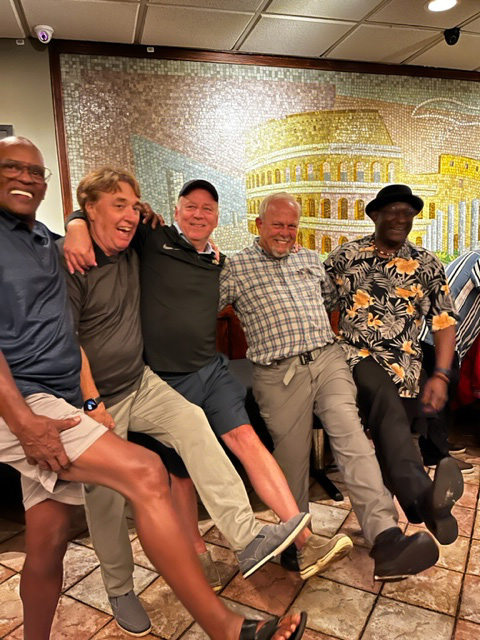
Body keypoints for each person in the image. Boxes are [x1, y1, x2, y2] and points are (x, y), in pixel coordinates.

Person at [0, 136, 308, 640]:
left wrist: (115, 216)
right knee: (105, 500)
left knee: (191, 424)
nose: (128, 215)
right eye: (116, 205)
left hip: (139, 381)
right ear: (89, 210)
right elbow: (66, 338)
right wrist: (90, 400)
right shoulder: (70, 259)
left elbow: (144, 223)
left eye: (133, 206)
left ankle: (247, 536)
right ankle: (121, 588)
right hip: (82, 397)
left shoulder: (132, 245)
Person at [64, 178, 354, 593]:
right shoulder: (152, 239)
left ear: (217, 218)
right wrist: (76, 222)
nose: (199, 215)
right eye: (191, 206)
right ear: (177, 210)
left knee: (247, 440)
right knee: (180, 475)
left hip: (211, 371)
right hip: (163, 379)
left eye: (208, 209)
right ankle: (198, 556)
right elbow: (106, 215)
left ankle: (303, 542)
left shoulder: (219, 262)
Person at [219, 191, 442, 580]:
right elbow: (199, 308)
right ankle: (298, 542)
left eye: (291, 225)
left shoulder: (309, 259)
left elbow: (331, 299)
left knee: (352, 439)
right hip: (279, 374)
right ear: (259, 225)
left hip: (327, 360)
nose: (285, 232)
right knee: (291, 462)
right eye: (277, 224)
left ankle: (386, 538)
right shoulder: (235, 268)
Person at [323, 184, 464, 546]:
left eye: (408, 213)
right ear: (374, 215)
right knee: (386, 407)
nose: (401, 219)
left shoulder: (427, 263)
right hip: (357, 357)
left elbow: (444, 322)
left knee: (393, 440)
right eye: (392, 212)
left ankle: (401, 522)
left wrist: (441, 375)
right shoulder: (346, 256)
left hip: (406, 368)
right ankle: (421, 495)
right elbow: (317, 303)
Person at [419, 249, 480, 472]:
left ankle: (438, 443)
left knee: (445, 392)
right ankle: (435, 456)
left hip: (440, 335)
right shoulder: (478, 258)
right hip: (437, 336)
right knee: (441, 393)